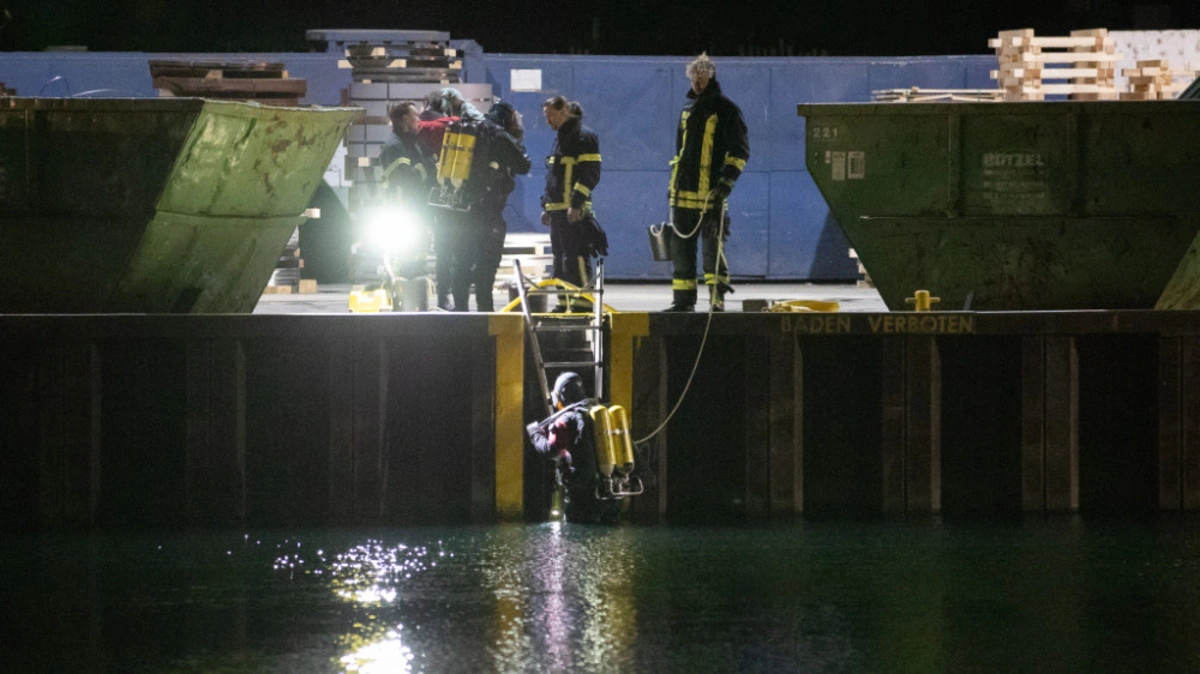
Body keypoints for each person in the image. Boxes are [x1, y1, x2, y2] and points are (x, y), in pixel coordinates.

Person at [665, 53, 750, 312]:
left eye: (701, 79)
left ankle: (717, 301)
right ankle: (683, 302)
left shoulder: (726, 109)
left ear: (711, 77)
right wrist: (673, 187)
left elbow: (740, 152)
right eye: (693, 79)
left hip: (711, 197)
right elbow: (680, 153)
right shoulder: (687, 110)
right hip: (682, 195)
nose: (697, 83)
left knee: (713, 251)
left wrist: (725, 185)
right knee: (681, 252)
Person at [453, 100, 531, 312]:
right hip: (488, 212)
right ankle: (485, 311)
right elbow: (523, 165)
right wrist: (518, 138)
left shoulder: (470, 129)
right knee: (487, 263)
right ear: (509, 117)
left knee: (462, 261)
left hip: (461, 210)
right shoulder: (498, 135)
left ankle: (459, 312)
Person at [416, 88, 483, 310]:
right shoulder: (452, 125)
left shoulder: (416, 128)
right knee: (458, 250)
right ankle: (458, 299)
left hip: (426, 198)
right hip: (454, 197)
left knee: (441, 250)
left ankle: (441, 297)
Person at [526, 372, 621, 524]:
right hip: (609, 491)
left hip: (581, 493)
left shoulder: (566, 419)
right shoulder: (600, 414)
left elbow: (551, 449)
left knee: (577, 533)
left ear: (563, 396)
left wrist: (535, 434)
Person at [540, 97, 607, 313]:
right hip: (557, 211)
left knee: (576, 257)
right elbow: (554, 177)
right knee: (560, 260)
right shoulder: (561, 138)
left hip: (572, 212)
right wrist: (546, 207)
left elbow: (590, 173)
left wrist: (576, 204)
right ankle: (564, 303)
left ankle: (582, 305)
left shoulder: (584, 136)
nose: (548, 121)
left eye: (551, 115)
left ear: (564, 111)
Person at [376, 101, 436, 279]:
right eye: (415, 115)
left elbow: (427, 167)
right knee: (404, 260)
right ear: (405, 118)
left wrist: (424, 168)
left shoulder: (414, 143)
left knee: (419, 257)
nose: (419, 119)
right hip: (403, 210)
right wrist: (426, 168)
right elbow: (405, 179)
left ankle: (416, 285)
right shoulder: (393, 147)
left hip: (419, 208)